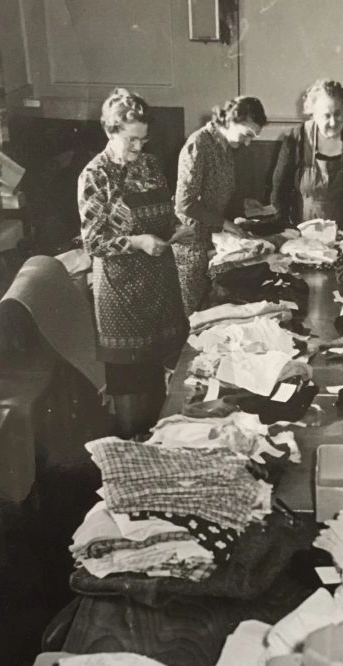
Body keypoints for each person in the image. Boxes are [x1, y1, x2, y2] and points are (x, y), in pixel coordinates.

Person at [78, 88, 188, 438]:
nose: (139, 147)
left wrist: (178, 229)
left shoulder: (150, 165)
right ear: (110, 131)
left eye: (143, 139)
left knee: (157, 380)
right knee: (129, 384)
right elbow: (93, 242)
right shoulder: (95, 175)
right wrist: (138, 242)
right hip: (120, 294)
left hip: (159, 284)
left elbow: (165, 213)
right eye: (131, 139)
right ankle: (130, 450)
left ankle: (157, 447)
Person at [174, 96, 267, 315]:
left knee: (213, 308)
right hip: (191, 243)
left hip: (210, 240)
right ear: (231, 119)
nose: (247, 142)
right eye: (247, 134)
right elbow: (185, 202)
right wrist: (224, 223)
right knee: (193, 313)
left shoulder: (225, 147)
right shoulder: (199, 144)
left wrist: (243, 203)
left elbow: (215, 190)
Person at [270, 79, 343, 228]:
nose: (333, 122)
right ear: (313, 114)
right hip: (304, 232)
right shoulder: (296, 138)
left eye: (338, 114)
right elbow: (279, 193)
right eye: (326, 116)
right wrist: (286, 229)